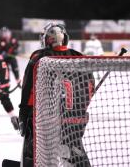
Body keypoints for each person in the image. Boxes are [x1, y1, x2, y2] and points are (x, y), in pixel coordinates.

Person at [19, 23, 95, 167]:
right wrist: (79, 109)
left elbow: (28, 89)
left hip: (45, 120)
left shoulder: (39, 57)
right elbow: (90, 87)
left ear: (47, 40)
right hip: (75, 119)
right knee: (74, 151)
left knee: (33, 151)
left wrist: (24, 114)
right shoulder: (78, 56)